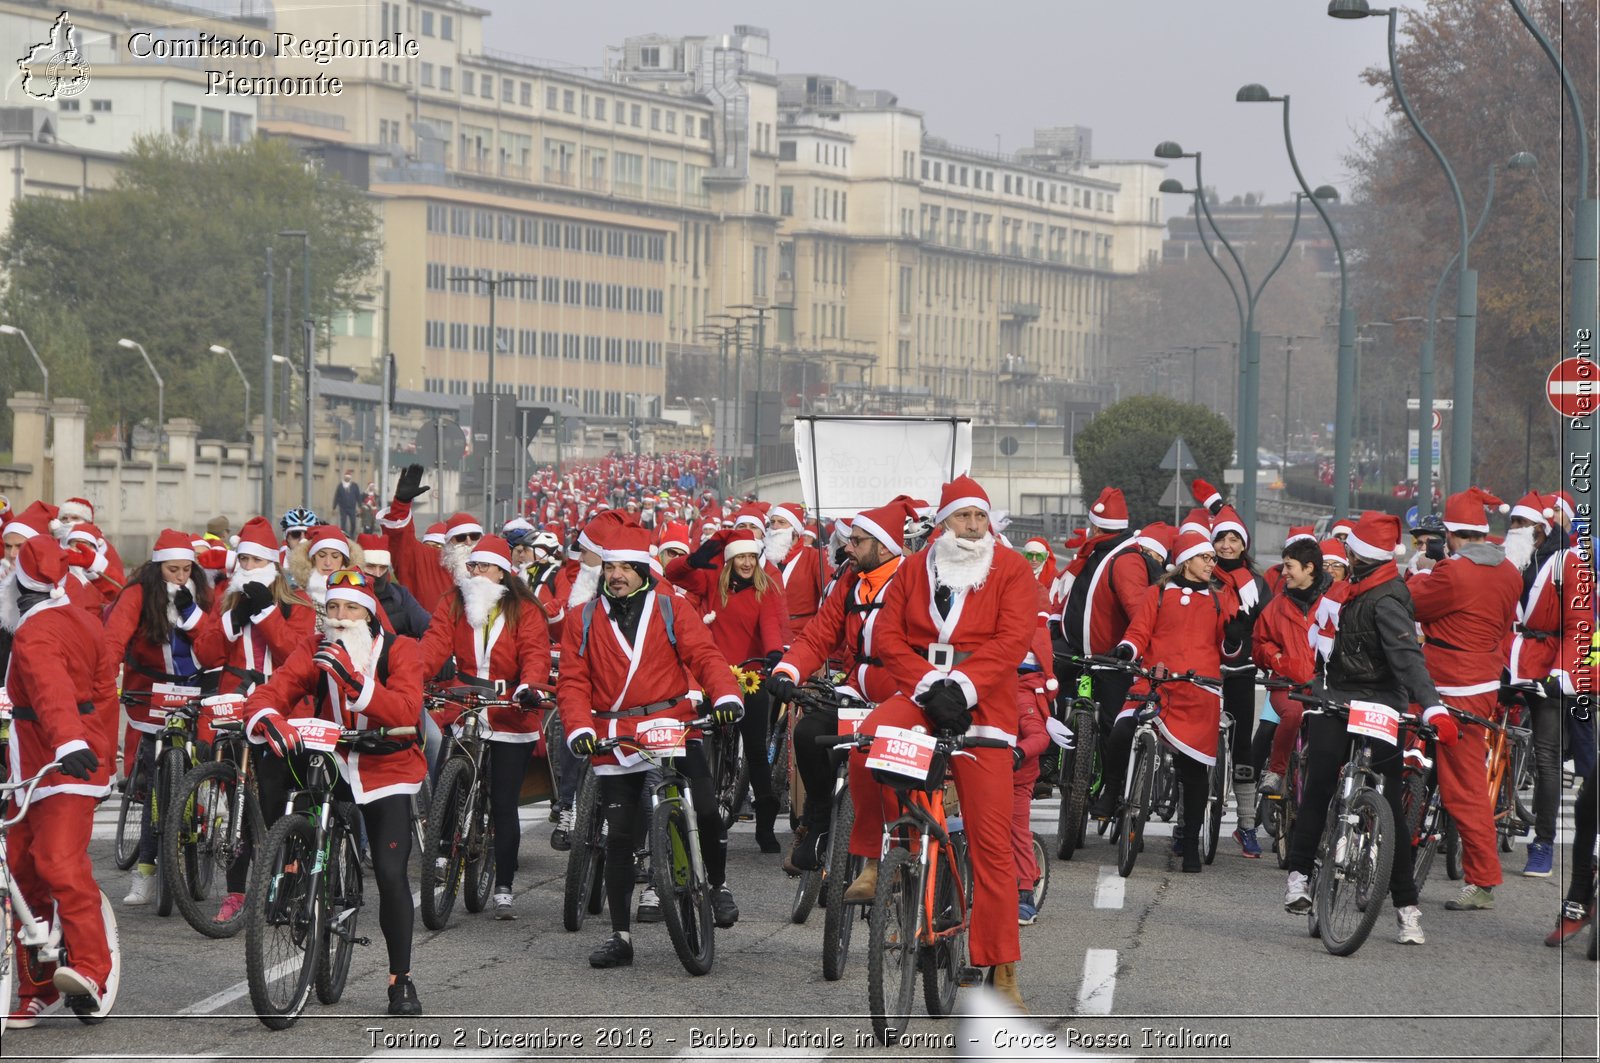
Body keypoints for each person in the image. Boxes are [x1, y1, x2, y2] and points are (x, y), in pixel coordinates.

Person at [842, 476, 1037, 1008]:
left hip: (986, 705)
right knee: (866, 741)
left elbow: (1013, 639)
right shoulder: (913, 568)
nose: (973, 527)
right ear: (943, 523)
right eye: (962, 518)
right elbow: (887, 638)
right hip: (924, 693)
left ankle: (1002, 969)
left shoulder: (1013, 570)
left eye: (980, 518)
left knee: (993, 845)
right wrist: (930, 685)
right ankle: (878, 860)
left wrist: (966, 687)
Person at [557, 522, 746, 969]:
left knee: (702, 807)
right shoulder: (580, 618)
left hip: (672, 722)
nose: (615, 574)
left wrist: (725, 695)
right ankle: (621, 936)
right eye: (609, 566)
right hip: (616, 736)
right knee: (620, 837)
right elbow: (572, 682)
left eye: (624, 566)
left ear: (644, 569)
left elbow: (704, 655)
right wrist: (579, 727)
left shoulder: (670, 608)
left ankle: (716, 885)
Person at [243, 568, 427, 1016]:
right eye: (332, 607)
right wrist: (265, 715)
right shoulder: (314, 648)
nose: (340, 617)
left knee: (389, 872)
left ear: (368, 613)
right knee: (272, 759)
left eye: (350, 607)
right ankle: (288, 861)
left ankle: (400, 980)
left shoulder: (402, 650)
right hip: (335, 760)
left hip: (388, 767)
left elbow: (405, 707)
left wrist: (353, 680)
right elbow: (277, 688)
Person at [1283, 511, 1452, 945]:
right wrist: (1313, 687)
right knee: (1319, 780)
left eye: (1352, 551)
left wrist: (1433, 708)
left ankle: (1406, 908)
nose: (1347, 556)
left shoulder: (1388, 600)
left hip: (1379, 702)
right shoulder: (1342, 592)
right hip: (1336, 699)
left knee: (1391, 805)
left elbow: (1408, 660)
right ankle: (1299, 876)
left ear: (1363, 555)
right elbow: (1319, 651)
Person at [2, 536, 118, 1027]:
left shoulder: (36, 632)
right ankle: (35, 986)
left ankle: (93, 969)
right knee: (19, 874)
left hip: (66, 761)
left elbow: (52, 691)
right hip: (29, 761)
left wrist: (71, 741)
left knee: (56, 864)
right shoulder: (79, 615)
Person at [765, 497, 916, 873]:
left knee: (892, 769)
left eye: (858, 541)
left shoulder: (914, 580)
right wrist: (787, 672)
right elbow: (818, 636)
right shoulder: (851, 581)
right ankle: (817, 822)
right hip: (856, 691)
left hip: (903, 698)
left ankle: (903, 848)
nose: (848, 547)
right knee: (809, 734)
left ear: (883, 547)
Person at [416, 535, 552, 919]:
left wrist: (529, 686)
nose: (474, 573)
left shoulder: (525, 609)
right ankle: (443, 851)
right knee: (447, 778)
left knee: (506, 803)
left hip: (510, 711)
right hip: (466, 706)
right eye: (472, 566)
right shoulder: (453, 603)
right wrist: (410, 675)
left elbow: (536, 655)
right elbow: (433, 645)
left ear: (502, 573)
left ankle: (504, 884)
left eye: (483, 567)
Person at [189, 516, 316, 923]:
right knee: (237, 804)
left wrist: (266, 615)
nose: (246, 566)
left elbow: (297, 656)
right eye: (241, 558)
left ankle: (286, 883)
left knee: (277, 802)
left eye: (254, 560)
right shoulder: (228, 600)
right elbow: (204, 654)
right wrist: (233, 620)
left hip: (280, 712)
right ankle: (237, 891)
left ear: (271, 565)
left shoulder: (297, 605)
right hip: (232, 709)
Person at [1406, 487, 1522, 911]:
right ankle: (1481, 876)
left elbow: (1415, 606)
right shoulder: (1509, 571)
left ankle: (1482, 879)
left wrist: (1421, 570)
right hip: (1482, 687)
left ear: (1451, 534)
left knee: (1447, 781)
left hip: (1441, 687)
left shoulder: (1452, 573)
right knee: (1468, 784)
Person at [1103, 530, 1240, 873]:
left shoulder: (1220, 599)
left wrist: (1236, 639)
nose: (1213, 563)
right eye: (1206, 557)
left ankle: (1190, 844)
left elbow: (1228, 648)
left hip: (1198, 690)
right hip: (1155, 682)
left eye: (1212, 559)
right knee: (1121, 731)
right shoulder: (1158, 593)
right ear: (1186, 561)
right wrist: (1127, 649)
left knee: (1194, 771)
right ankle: (1113, 792)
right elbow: (1139, 631)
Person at [102, 529, 220, 905]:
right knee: (155, 784)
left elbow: (216, 647)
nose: (181, 576)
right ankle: (146, 873)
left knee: (198, 764)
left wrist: (191, 613)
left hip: (194, 692)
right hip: (149, 693)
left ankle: (201, 816)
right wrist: (103, 681)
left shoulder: (199, 594)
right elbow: (113, 641)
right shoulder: (137, 595)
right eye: (173, 570)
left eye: (187, 569)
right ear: (157, 568)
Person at [663, 526, 791, 853]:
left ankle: (765, 826)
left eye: (752, 556)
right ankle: (697, 806)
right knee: (697, 739)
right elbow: (673, 573)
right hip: (712, 676)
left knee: (756, 751)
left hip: (750, 676)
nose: (747, 563)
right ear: (731, 559)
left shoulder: (765, 589)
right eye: (741, 557)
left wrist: (775, 655)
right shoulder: (710, 581)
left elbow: (771, 627)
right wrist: (703, 553)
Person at [1205, 502, 1271, 858]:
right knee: (1195, 744)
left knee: (1241, 746)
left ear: (1244, 545)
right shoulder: (1203, 573)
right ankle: (1190, 819)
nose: (1227, 546)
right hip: (1203, 670)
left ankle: (1246, 825)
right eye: (1221, 539)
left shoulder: (1257, 584)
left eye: (1234, 539)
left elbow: (1270, 627)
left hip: (1242, 671)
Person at [1253, 537, 1341, 794]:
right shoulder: (1277, 605)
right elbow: (1259, 643)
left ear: (1309, 568)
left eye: (1289, 566)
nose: (1284, 572)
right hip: (1286, 684)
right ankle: (1276, 772)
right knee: (1292, 713)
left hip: (1325, 686)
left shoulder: (1335, 601)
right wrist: (1274, 658)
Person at [334, 469, 362, 536]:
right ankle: (344, 536)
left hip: (352, 508)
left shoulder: (354, 486)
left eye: (349, 476)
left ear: (350, 477)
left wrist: (360, 506)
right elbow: (337, 497)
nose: (347, 477)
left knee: (353, 523)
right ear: (344, 477)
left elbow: (358, 496)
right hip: (343, 508)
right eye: (346, 476)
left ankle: (352, 534)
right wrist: (334, 507)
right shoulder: (340, 486)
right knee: (343, 523)